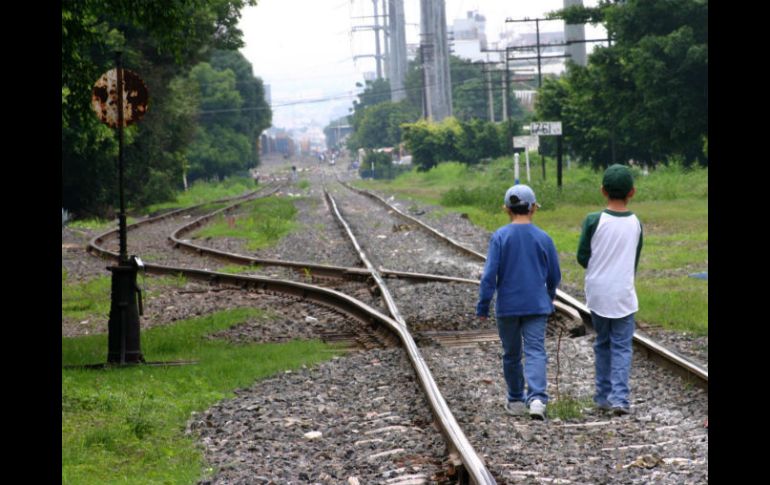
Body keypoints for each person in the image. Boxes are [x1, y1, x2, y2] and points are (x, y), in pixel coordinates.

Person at [476, 184, 561, 419]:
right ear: (533, 208)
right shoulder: (543, 238)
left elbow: (489, 276)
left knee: (511, 353)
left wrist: (483, 305)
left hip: (508, 307)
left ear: (506, 209)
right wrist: (550, 294)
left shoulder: (500, 237)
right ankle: (536, 400)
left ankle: (515, 399)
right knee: (535, 351)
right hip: (536, 305)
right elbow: (554, 274)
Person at [577, 164, 643, 416]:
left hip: (598, 293)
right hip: (624, 294)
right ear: (632, 192)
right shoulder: (636, 222)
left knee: (602, 343)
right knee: (622, 347)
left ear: (603, 191)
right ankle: (620, 399)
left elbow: (583, 256)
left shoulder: (593, 220)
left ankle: (602, 396)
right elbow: (634, 260)